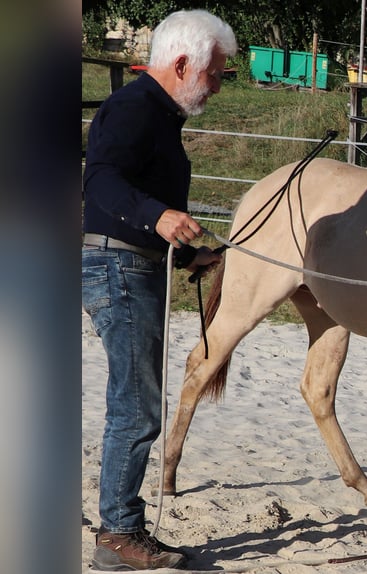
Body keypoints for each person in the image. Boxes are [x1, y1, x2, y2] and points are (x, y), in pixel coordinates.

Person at [81, 9, 237, 571]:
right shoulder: (132, 107)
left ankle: (123, 528)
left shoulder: (159, 115)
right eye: (215, 74)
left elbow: (135, 199)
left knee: (138, 401)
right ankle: (118, 535)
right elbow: (97, 178)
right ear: (181, 63)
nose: (217, 86)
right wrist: (161, 217)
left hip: (132, 263)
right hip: (115, 268)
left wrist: (191, 252)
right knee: (138, 404)